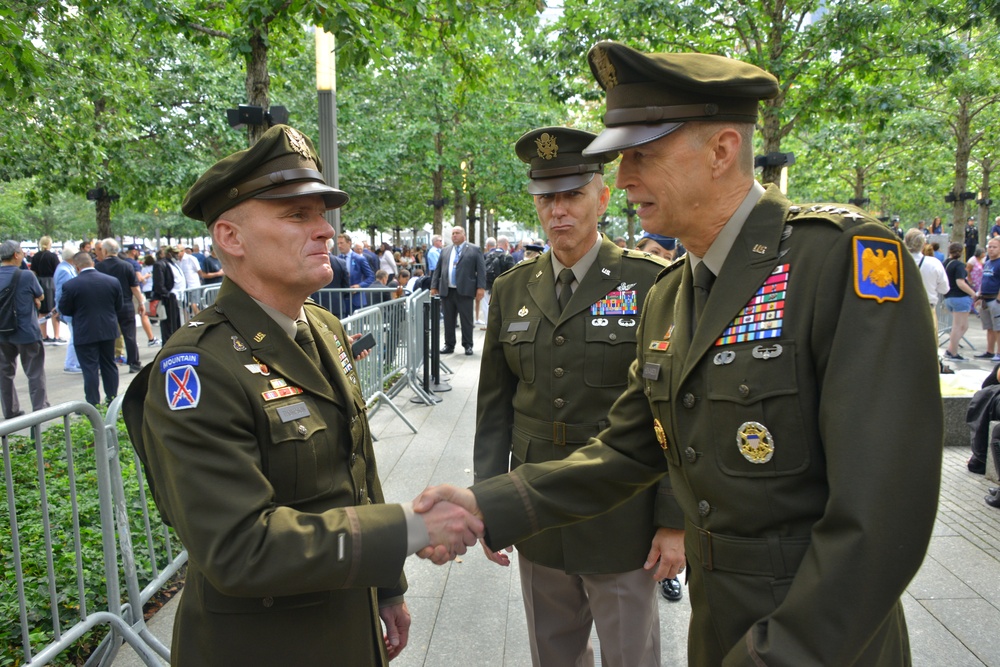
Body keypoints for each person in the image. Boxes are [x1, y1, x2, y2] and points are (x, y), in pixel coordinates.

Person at [416, 42, 943, 667]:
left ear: (722, 151)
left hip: (821, 640)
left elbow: (879, 522)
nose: (624, 178)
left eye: (644, 154)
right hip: (720, 624)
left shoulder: (840, 264)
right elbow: (627, 448)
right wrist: (491, 503)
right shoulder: (672, 293)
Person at [120, 125, 482, 666]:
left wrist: (388, 588)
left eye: (322, 214)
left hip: (346, 617)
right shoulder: (196, 368)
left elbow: (357, 470)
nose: (325, 231)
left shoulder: (323, 328)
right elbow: (239, 547)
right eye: (297, 216)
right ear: (231, 237)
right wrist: (410, 528)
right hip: (264, 643)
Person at [475, 126, 679, 667]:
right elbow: (495, 407)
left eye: (572, 195)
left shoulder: (650, 283)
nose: (558, 211)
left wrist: (674, 517)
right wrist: (489, 502)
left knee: (630, 656)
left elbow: (673, 412)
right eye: (546, 198)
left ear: (602, 197)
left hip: (620, 516)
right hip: (537, 510)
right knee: (553, 655)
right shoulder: (511, 289)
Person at [58, 252, 123, 406]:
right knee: (109, 365)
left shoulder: (71, 285)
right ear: (92, 263)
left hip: (84, 331)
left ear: (76, 266)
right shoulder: (112, 281)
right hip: (107, 329)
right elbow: (118, 306)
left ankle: (93, 403)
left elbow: (65, 309)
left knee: (90, 368)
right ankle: (112, 399)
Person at [0, 240, 49, 418]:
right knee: (34, 373)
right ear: (16, 255)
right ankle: (40, 410)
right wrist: (35, 301)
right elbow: (40, 295)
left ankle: (10, 411)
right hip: (26, 332)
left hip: (2, 334)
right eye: (21, 252)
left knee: (4, 374)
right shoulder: (26, 276)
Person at [430, 225, 486, 356]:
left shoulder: (474, 249)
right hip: (447, 290)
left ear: (464, 235)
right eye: (453, 233)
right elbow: (437, 269)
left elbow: (481, 270)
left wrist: (481, 287)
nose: (454, 235)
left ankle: (468, 345)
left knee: (466, 320)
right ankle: (449, 344)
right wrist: (434, 286)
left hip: (465, 290)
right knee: (448, 320)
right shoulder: (445, 250)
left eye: (457, 233)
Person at [96, 238, 145, 373]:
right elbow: (134, 287)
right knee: (130, 336)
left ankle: (108, 363)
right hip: (126, 303)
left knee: (108, 336)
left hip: (107, 306)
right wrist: (141, 302)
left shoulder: (99, 267)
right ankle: (134, 363)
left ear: (105, 250)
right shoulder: (126, 266)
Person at [904, 229, 948, 340]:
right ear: (923, 244)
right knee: (929, 346)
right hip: (926, 310)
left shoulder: (896, 262)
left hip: (902, 310)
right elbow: (944, 289)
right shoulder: (934, 263)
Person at [942, 242, 978, 361]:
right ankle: (953, 351)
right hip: (960, 297)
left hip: (948, 297)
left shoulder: (945, 264)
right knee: (959, 326)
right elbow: (960, 282)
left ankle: (951, 348)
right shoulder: (959, 266)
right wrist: (974, 294)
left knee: (962, 326)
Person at [30, 235, 64, 344]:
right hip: (51, 282)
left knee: (42, 311)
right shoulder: (53, 256)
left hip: (39, 283)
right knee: (54, 310)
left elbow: (33, 271)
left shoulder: (35, 256)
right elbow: (58, 270)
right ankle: (57, 336)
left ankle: (44, 336)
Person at [54, 242, 82, 374]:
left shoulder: (65, 268)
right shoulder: (65, 270)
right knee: (75, 336)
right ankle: (70, 363)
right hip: (70, 309)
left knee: (75, 335)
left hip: (70, 308)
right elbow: (62, 292)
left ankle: (74, 362)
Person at [151, 246, 185, 342]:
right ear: (169, 253)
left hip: (176, 298)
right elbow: (159, 284)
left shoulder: (173, 264)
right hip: (168, 299)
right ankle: (169, 345)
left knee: (176, 324)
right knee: (168, 325)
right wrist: (168, 295)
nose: (177, 255)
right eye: (175, 253)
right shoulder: (160, 264)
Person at [974, 238, 1000, 361]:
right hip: (985, 299)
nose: (991, 249)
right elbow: (983, 281)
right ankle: (990, 351)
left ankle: (999, 353)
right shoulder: (988, 263)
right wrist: (979, 296)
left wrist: (998, 300)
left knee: (998, 328)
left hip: (995, 299)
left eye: (994, 247)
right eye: (989, 246)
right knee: (989, 327)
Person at [336, 234, 375, 312]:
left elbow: (371, 276)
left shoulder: (359, 259)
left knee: (358, 323)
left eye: (341, 243)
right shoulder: (337, 259)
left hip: (357, 299)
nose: (339, 246)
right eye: (338, 244)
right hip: (342, 300)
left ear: (349, 243)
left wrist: (359, 286)